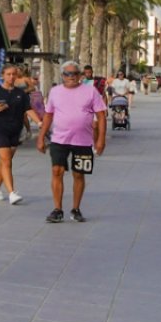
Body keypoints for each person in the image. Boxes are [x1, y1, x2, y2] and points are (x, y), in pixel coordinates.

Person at [38, 61, 107, 223]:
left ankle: (76, 209)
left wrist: (101, 139)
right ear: (62, 76)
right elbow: (48, 115)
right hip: (59, 139)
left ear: (80, 75)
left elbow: (101, 116)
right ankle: (57, 209)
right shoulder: (55, 91)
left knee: (79, 174)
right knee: (57, 171)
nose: (71, 77)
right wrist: (41, 137)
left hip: (83, 141)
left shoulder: (91, 91)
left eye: (75, 73)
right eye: (68, 74)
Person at [0, 63, 37, 205]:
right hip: (0, 129)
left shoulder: (21, 93)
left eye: (13, 74)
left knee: (5, 161)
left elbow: (28, 109)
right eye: (8, 74)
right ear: (3, 76)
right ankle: (12, 193)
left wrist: (40, 122)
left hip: (15, 130)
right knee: (6, 161)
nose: (11, 77)